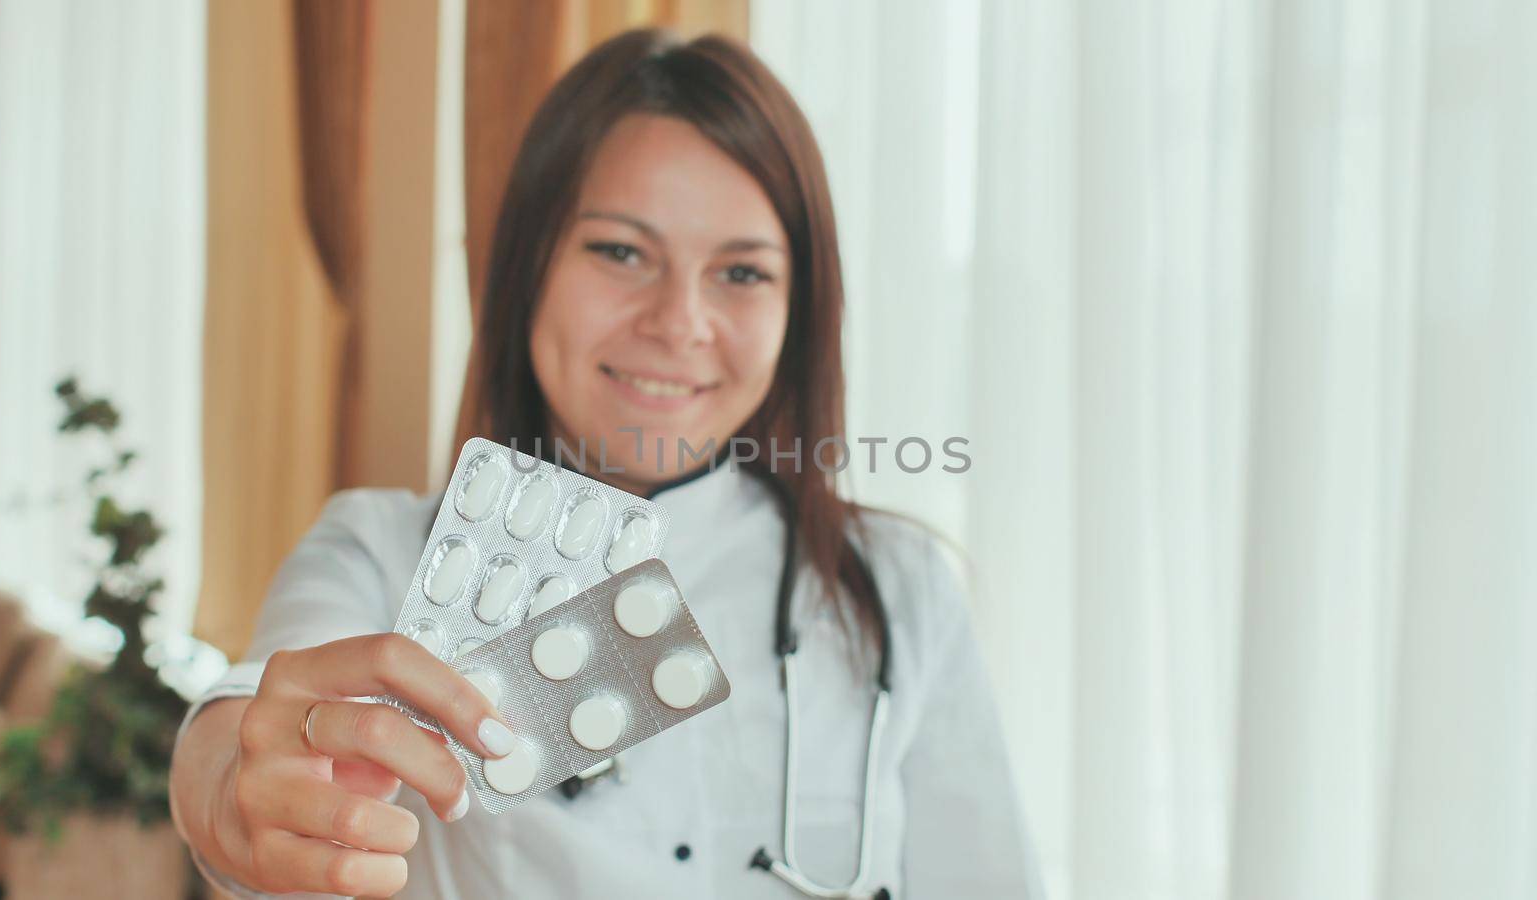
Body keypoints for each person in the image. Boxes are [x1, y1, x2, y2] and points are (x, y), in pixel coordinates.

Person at [170, 28, 1043, 899]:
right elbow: (250, 728)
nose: (678, 322)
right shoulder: (381, 554)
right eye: (621, 252)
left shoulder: (899, 588)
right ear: (526, 270)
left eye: (741, 273)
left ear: (799, 312)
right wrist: (230, 791)